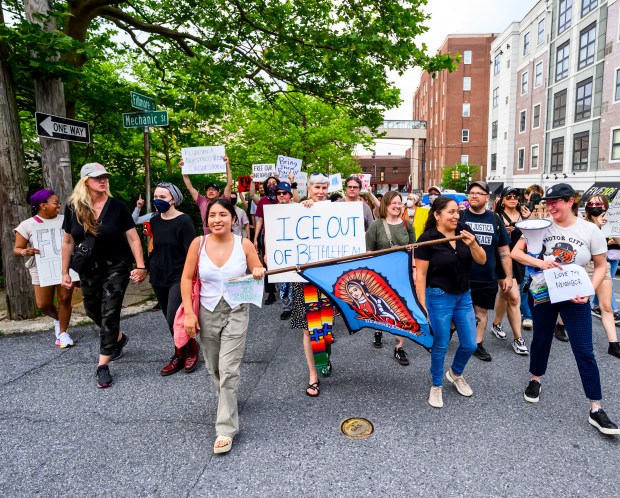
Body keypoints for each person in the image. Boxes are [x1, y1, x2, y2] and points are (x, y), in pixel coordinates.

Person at [512, 183, 620, 435]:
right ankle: (535, 380)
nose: (550, 207)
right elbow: (516, 253)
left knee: (584, 349)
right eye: (548, 203)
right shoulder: (539, 225)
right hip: (544, 292)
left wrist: (589, 291)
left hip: (576, 294)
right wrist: (541, 262)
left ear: (570, 201)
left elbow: (601, 266)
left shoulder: (590, 230)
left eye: (555, 202)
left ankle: (596, 407)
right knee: (541, 339)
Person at [181, 199, 265, 454]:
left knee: (229, 369)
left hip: (237, 309)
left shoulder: (244, 244)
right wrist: (188, 313)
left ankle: (225, 429)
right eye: (213, 215)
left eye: (223, 214)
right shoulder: (199, 243)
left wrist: (259, 269)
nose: (218, 219)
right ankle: (227, 400)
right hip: (206, 311)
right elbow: (186, 278)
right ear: (206, 220)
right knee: (214, 366)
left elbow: (257, 266)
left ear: (233, 218)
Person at [61, 163, 147, 389]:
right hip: (88, 267)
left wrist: (140, 266)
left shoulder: (117, 206)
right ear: (85, 181)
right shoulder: (73, 208)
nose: (103, 181)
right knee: (91, 309)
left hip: (116, 266)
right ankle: (117, 338)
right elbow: (68, 242)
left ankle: (102, 366)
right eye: (98, 177)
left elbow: (133, 238)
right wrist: (64, 272)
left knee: (109, 312)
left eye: (105, 177)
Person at [415, 196, 486, 408]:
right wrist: (422, 306)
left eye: (457, 211)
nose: (456, 216)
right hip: (438, 297)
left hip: (464, 296)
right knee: (441, 344)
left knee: (470, 344)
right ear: (437, 215)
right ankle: (436, 385)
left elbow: (481, 260)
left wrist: (472, 243)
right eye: (451, 212)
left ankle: (455, 373)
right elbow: (421, 276)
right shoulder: (427, 239)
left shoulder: (464, 231)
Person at [290, 172, 335, 397]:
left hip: (329, 279)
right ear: (309, 189)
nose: (320, 191)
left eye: (323, 187)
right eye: (316, 187)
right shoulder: (301, 208)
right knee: (309, 329)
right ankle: (313, 375)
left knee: (326, 327)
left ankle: (323, 358)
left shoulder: (337, 211)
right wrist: (302, 205)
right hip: (305, 279)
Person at [147, 183, 198, 375]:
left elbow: (191, 251)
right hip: (158, 275)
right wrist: (144, 267)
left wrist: (192, 276)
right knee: (169, 320)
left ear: (173, 199)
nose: (157, 200)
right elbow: (154, 246)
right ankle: (181, 350)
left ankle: (190, 349)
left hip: (179, 275)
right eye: (156, 196)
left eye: (162, 196)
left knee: (173, 317)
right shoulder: (154, 220)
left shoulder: (184, 221)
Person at [14, 189, 75, 348]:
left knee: (65, 299)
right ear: (42, 205)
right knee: (43, 304)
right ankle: (57, 319)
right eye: (55, 203)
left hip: (65, 265)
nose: (59, 205)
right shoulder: (27, 225)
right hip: (41, 268)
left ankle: (63, 333)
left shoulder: (67, 219)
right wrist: (24, 251)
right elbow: (17, 248)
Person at [460, 181, 512, 362]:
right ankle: (443, 340)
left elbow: (504, 251)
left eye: (479, 193)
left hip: (486, 276)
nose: (474, 195)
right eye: (471, 192)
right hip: (460, 275)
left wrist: (508, 276)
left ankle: (477, 344)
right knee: (455, 310)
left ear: (487, 197)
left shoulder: (495, 219)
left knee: (481, 312)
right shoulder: (459, 216)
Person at [365, 191, 415, 365]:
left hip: (402, 275)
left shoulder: (407, 225)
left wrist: (414, 273)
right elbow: (369, 252)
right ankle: (378, 330)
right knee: (378, 307)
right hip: (380, 275)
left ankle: (399, 347)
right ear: (385, 205)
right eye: (393, 203)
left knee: (401, 310)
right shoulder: (376, 226)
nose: (397, 206)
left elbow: (412, 251)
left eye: (399, 203)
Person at [490, 187, 530, 355]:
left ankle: (497, 324)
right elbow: (491, 239)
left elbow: (533, 237)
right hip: (502, 259)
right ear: (503, 200)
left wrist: (529, 222)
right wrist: (501, 232)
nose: (513, 199)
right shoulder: (497, 217)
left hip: (519, 260)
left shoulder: (525, 216)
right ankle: (518, 339)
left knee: (504, 293)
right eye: (509, 196)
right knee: (514, 297)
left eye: (515, 196)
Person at [584, 195, 620, 358]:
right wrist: (596, 227)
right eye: (591, 203)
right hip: (584, 266)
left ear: (605, 206)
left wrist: (613, 227)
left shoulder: (610, 221)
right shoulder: (581, 223)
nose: (594, 205)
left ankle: (613, 344)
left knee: (606, 307)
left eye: (598, 203)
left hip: (602, 265)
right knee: (579, 301)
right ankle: (561, 326)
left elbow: (618, 241)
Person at [180, 156, 232, 234]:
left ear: (218, 193)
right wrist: (183, 169)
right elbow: (190, 187)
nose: (211, 191)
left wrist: (227, 165)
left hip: (224, 237)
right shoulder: (201, 201)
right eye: (208, 190)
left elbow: (229, 184)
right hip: (208, 238)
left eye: (214, 189)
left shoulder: (223, 200)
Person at [253, 175, 279, 305]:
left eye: (275, 182)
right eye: (269, 183)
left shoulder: (282, 198)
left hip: (281, 235)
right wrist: (256, 238)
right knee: (267, 263)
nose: (272, 185)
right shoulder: (263, 201)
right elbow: (260, 220)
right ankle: (270, 292)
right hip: (266, 235)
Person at [274, 181, 296, 320]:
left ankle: (296, 305)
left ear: (290, 195)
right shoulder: (272, 210)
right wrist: (268, 253)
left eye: (284, 193)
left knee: (295, 280)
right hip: (279, 251)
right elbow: (269, 233)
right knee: (283, 281)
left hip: (296, 250)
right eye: (278, 193)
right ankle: (286, 307)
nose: (281, 195)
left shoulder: (297, 208)